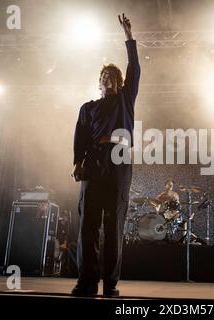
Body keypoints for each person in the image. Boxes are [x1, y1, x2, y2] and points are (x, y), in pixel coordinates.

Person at [71, 13, 140, 297]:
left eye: (113, 77)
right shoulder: (87, 108)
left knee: (113, 223)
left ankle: (110, 284)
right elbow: (80, 136)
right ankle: (87, 281)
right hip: (94, 161)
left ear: (120, 83)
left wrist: (128, 37)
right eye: (104, 76)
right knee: (88, 223)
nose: (108, 79)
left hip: (119, 160)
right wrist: (77, 162)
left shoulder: (125, 99)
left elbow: (134, 67)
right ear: (99, 83)